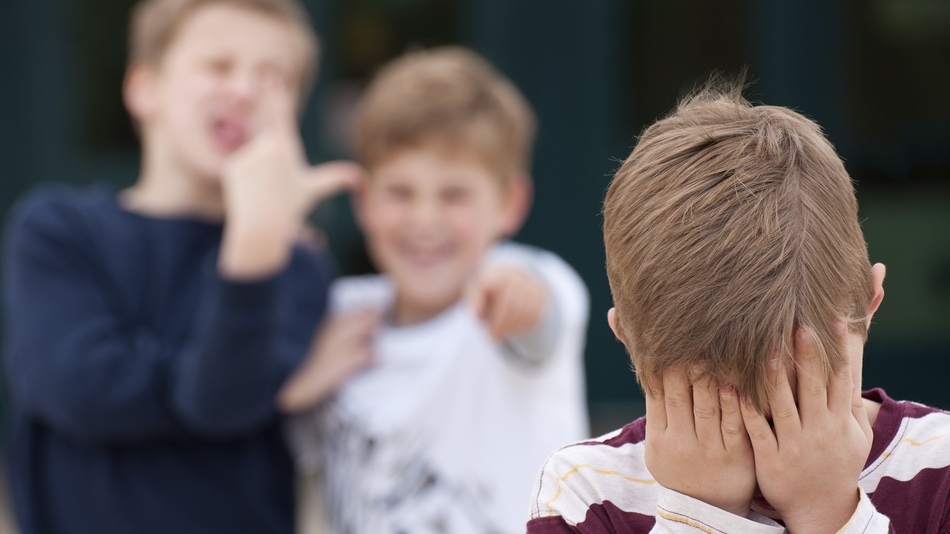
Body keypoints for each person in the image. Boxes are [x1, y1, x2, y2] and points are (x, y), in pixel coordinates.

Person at [1, 1, 363, 533]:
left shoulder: (295, 266)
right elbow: (81, 390)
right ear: (144, 88)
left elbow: (222, 400)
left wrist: (255, 244)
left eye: (272, 76)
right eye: (218, 66)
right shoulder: (58, 231)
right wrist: (272, 391)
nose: (243, 89)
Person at [526, 80, 950, 533]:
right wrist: (700, 514)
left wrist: (827, 511)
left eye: (801, 399)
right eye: (720, 409)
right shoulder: (585, 493)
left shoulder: (939, 469)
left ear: (869, 304)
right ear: (627, 339)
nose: (778, 452)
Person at [280, 46, 590, 534]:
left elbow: (541, 312)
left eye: (454, 195)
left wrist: (517, 293)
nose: (425, 219)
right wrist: (293, 385)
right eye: (400, 193)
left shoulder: (518, 281)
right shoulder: (339, 315)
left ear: (510, 203)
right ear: (362, 201)